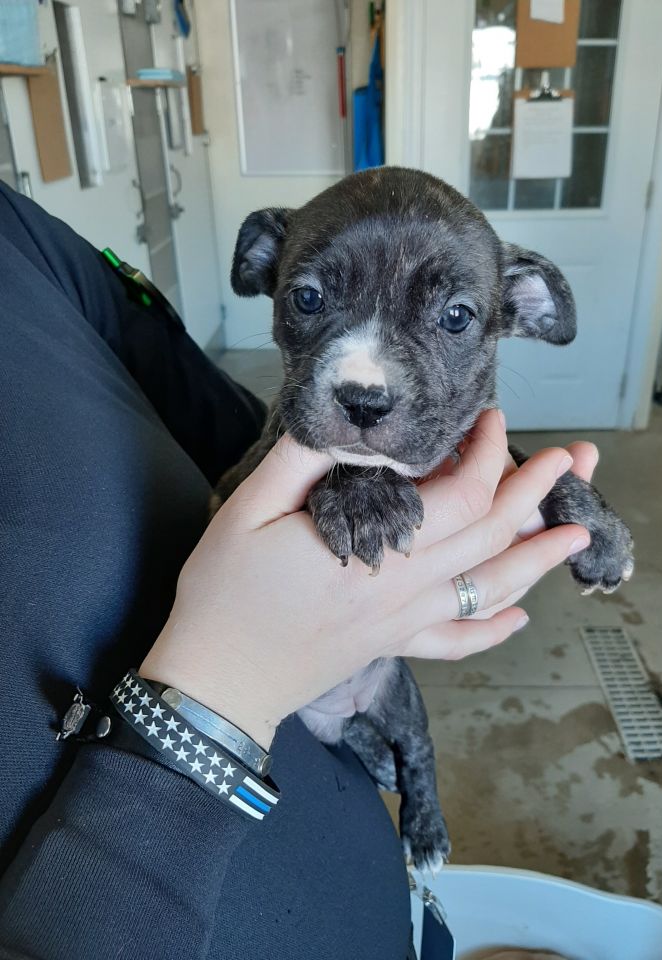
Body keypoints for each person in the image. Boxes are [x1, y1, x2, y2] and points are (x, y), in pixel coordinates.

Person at [0, 182, 596, 960]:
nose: (369, 372)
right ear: (269, 267)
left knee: (409, 729)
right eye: (311, 299)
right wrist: (232, 672)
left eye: (451, 319)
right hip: (148, 838)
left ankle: (418, 809)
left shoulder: (24, 236)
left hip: (353, 840)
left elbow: (192, 393)